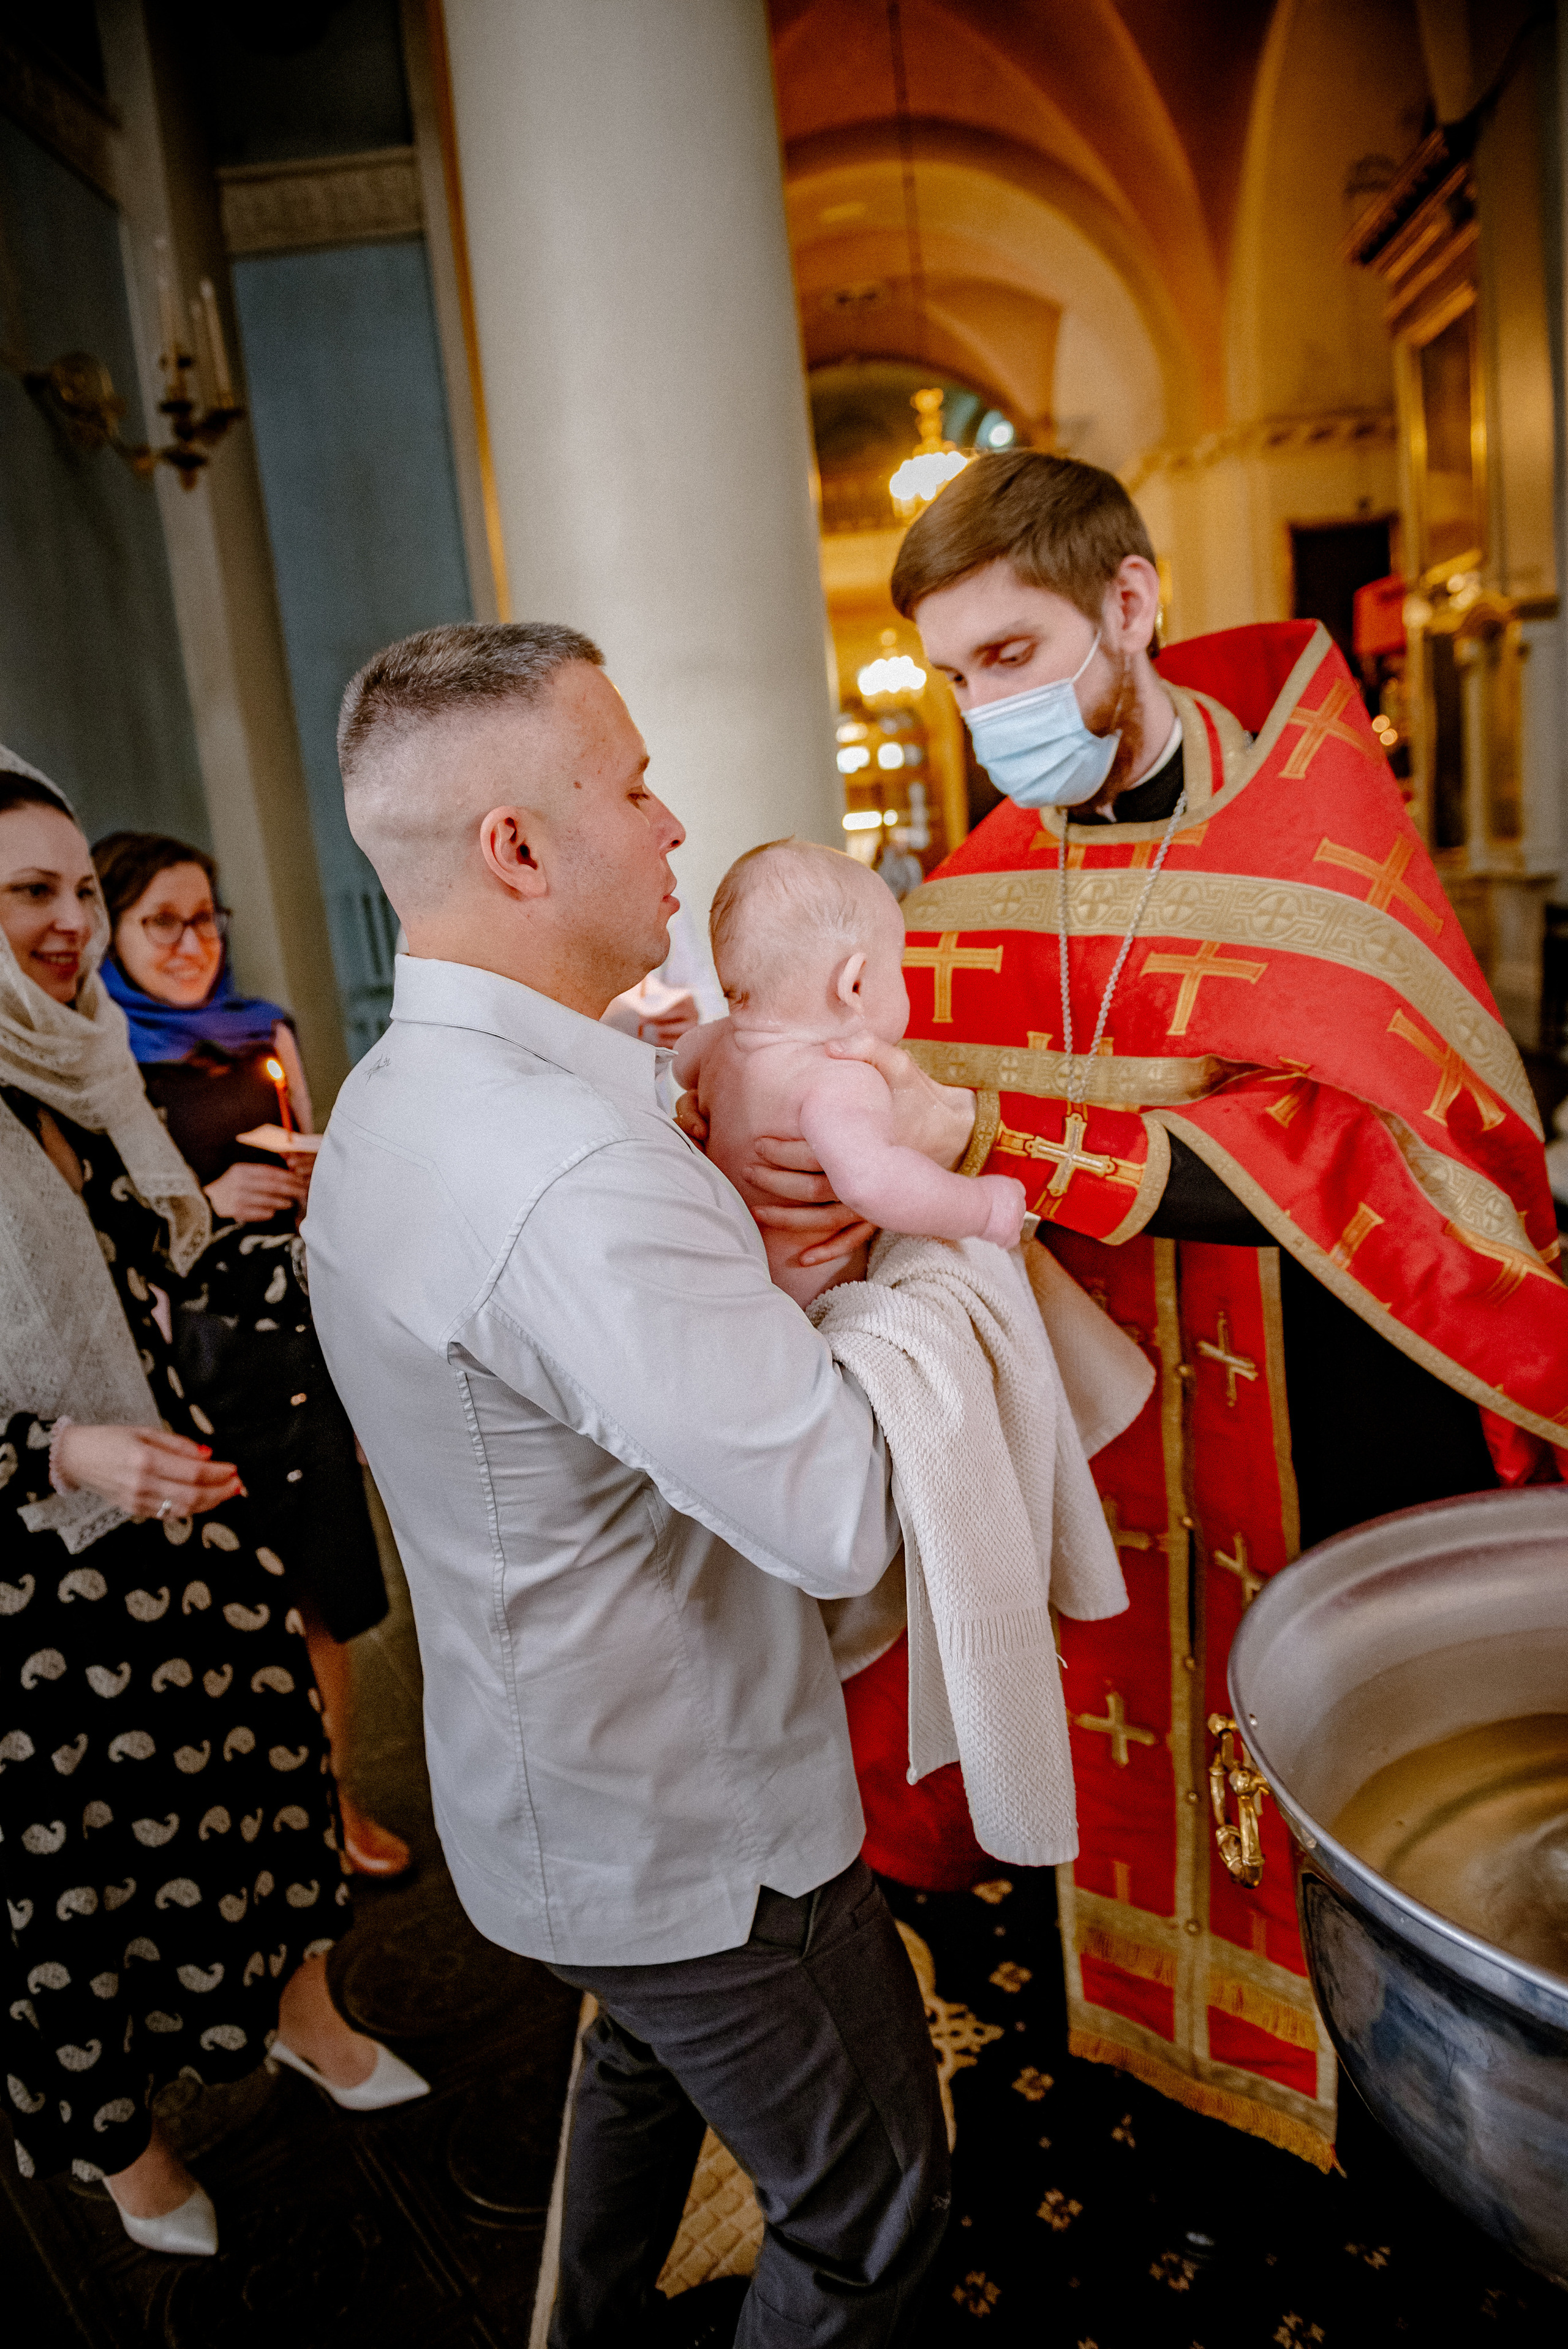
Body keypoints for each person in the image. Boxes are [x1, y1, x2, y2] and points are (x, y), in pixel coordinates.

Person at [735, 449, 1568, 2174]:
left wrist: (990, 1131)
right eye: (955, 676)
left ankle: (1361, 2054)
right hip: (1104, 1420)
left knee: (1322, 1735)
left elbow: (1387, 1154)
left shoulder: (1315, 842)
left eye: (1014, 657)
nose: (988, 713)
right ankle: (1139, 2041)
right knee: (1109, 1704)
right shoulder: (978, 882)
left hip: (1311, 1391)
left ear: (1129, 603)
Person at [303, 621, 951, 2349]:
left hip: (539, 1781)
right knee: (872, 2214)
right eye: (635, 784)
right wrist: (896, 1291)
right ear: (517, 847)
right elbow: (836, 1512)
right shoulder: (577, 1165)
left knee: (644, 2071)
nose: (674, 826)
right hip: (701, 1818)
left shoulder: (392, 1094)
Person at [0, 758, 426, 2261]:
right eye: (29, 892)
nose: (69, 920)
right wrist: (66, 1453)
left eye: (79, 888)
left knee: (268, 1796)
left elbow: (175, 1279)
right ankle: (131, 2153)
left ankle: (305, 2017)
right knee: (75, 1895)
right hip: (35, 1595)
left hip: (191, 1517)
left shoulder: (87, 1068)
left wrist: (349, 1232)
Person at [91, 831, 407, 1878]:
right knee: (233, 1612)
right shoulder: (101, 1058)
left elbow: (305, 1142)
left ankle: (336, 1801)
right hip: (193, 1369)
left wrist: (320, 1179)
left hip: (296, 1350)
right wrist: (207, 1201)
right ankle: (271, 1830)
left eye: (205, 918)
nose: (191, 942)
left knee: (327, 1594)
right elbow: (104, 1230)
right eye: (162, 922)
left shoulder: (262, 1029)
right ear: (113, 932)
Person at [675, 838, 1024, 1305]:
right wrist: (984, 1209)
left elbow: (681, 1059)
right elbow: (872, 1183)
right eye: (898, 965)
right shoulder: (840, 1078)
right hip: (809, 1305)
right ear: (854, 985)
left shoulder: (719, 1047)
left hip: (727, 1270)